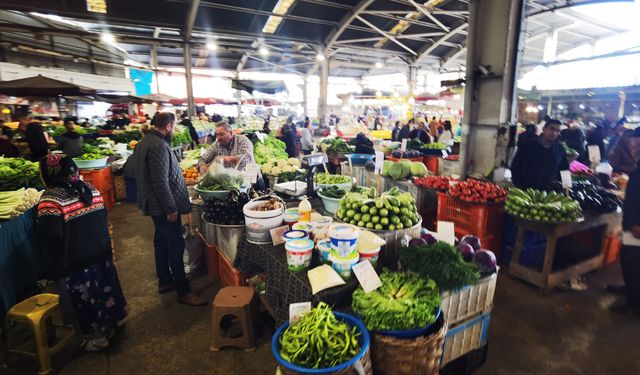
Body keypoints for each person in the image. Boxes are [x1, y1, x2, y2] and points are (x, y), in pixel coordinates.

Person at [36, 155, 128, 351]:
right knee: (105, 288)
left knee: (87, 300)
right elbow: (103, 216)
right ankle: (117, 319)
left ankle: (99, 338)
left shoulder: (50, 199)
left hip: (77, 262)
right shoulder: (90, 188)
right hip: (101, 254)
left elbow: (50, 236)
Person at [126, 112, 206, 306]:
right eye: (174, 126)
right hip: (162, 206)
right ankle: (183, 291)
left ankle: (165, 281)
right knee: (176, 246)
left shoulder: (145, 142)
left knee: (161, 241)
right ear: (168, 126)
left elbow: (132, 170)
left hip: (153, 204)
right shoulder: (159, 145)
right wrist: (171, 207)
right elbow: (160, 182)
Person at [610, 161, 640, 315]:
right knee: (628, 257)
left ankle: (634, 302)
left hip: (637, 226)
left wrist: (637, 223)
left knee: (633, 260)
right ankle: (630, 287)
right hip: (632, 222)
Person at [511, 119, 569, 190]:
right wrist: (518, 185)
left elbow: (565, 169)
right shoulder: (528, 145)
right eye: (551, 129)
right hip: (527, 190)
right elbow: (516, 165)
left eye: (557, 131)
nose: (554, 133)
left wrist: (566, 188)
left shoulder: (560, 149)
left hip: (549, 193)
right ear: (544, 129)